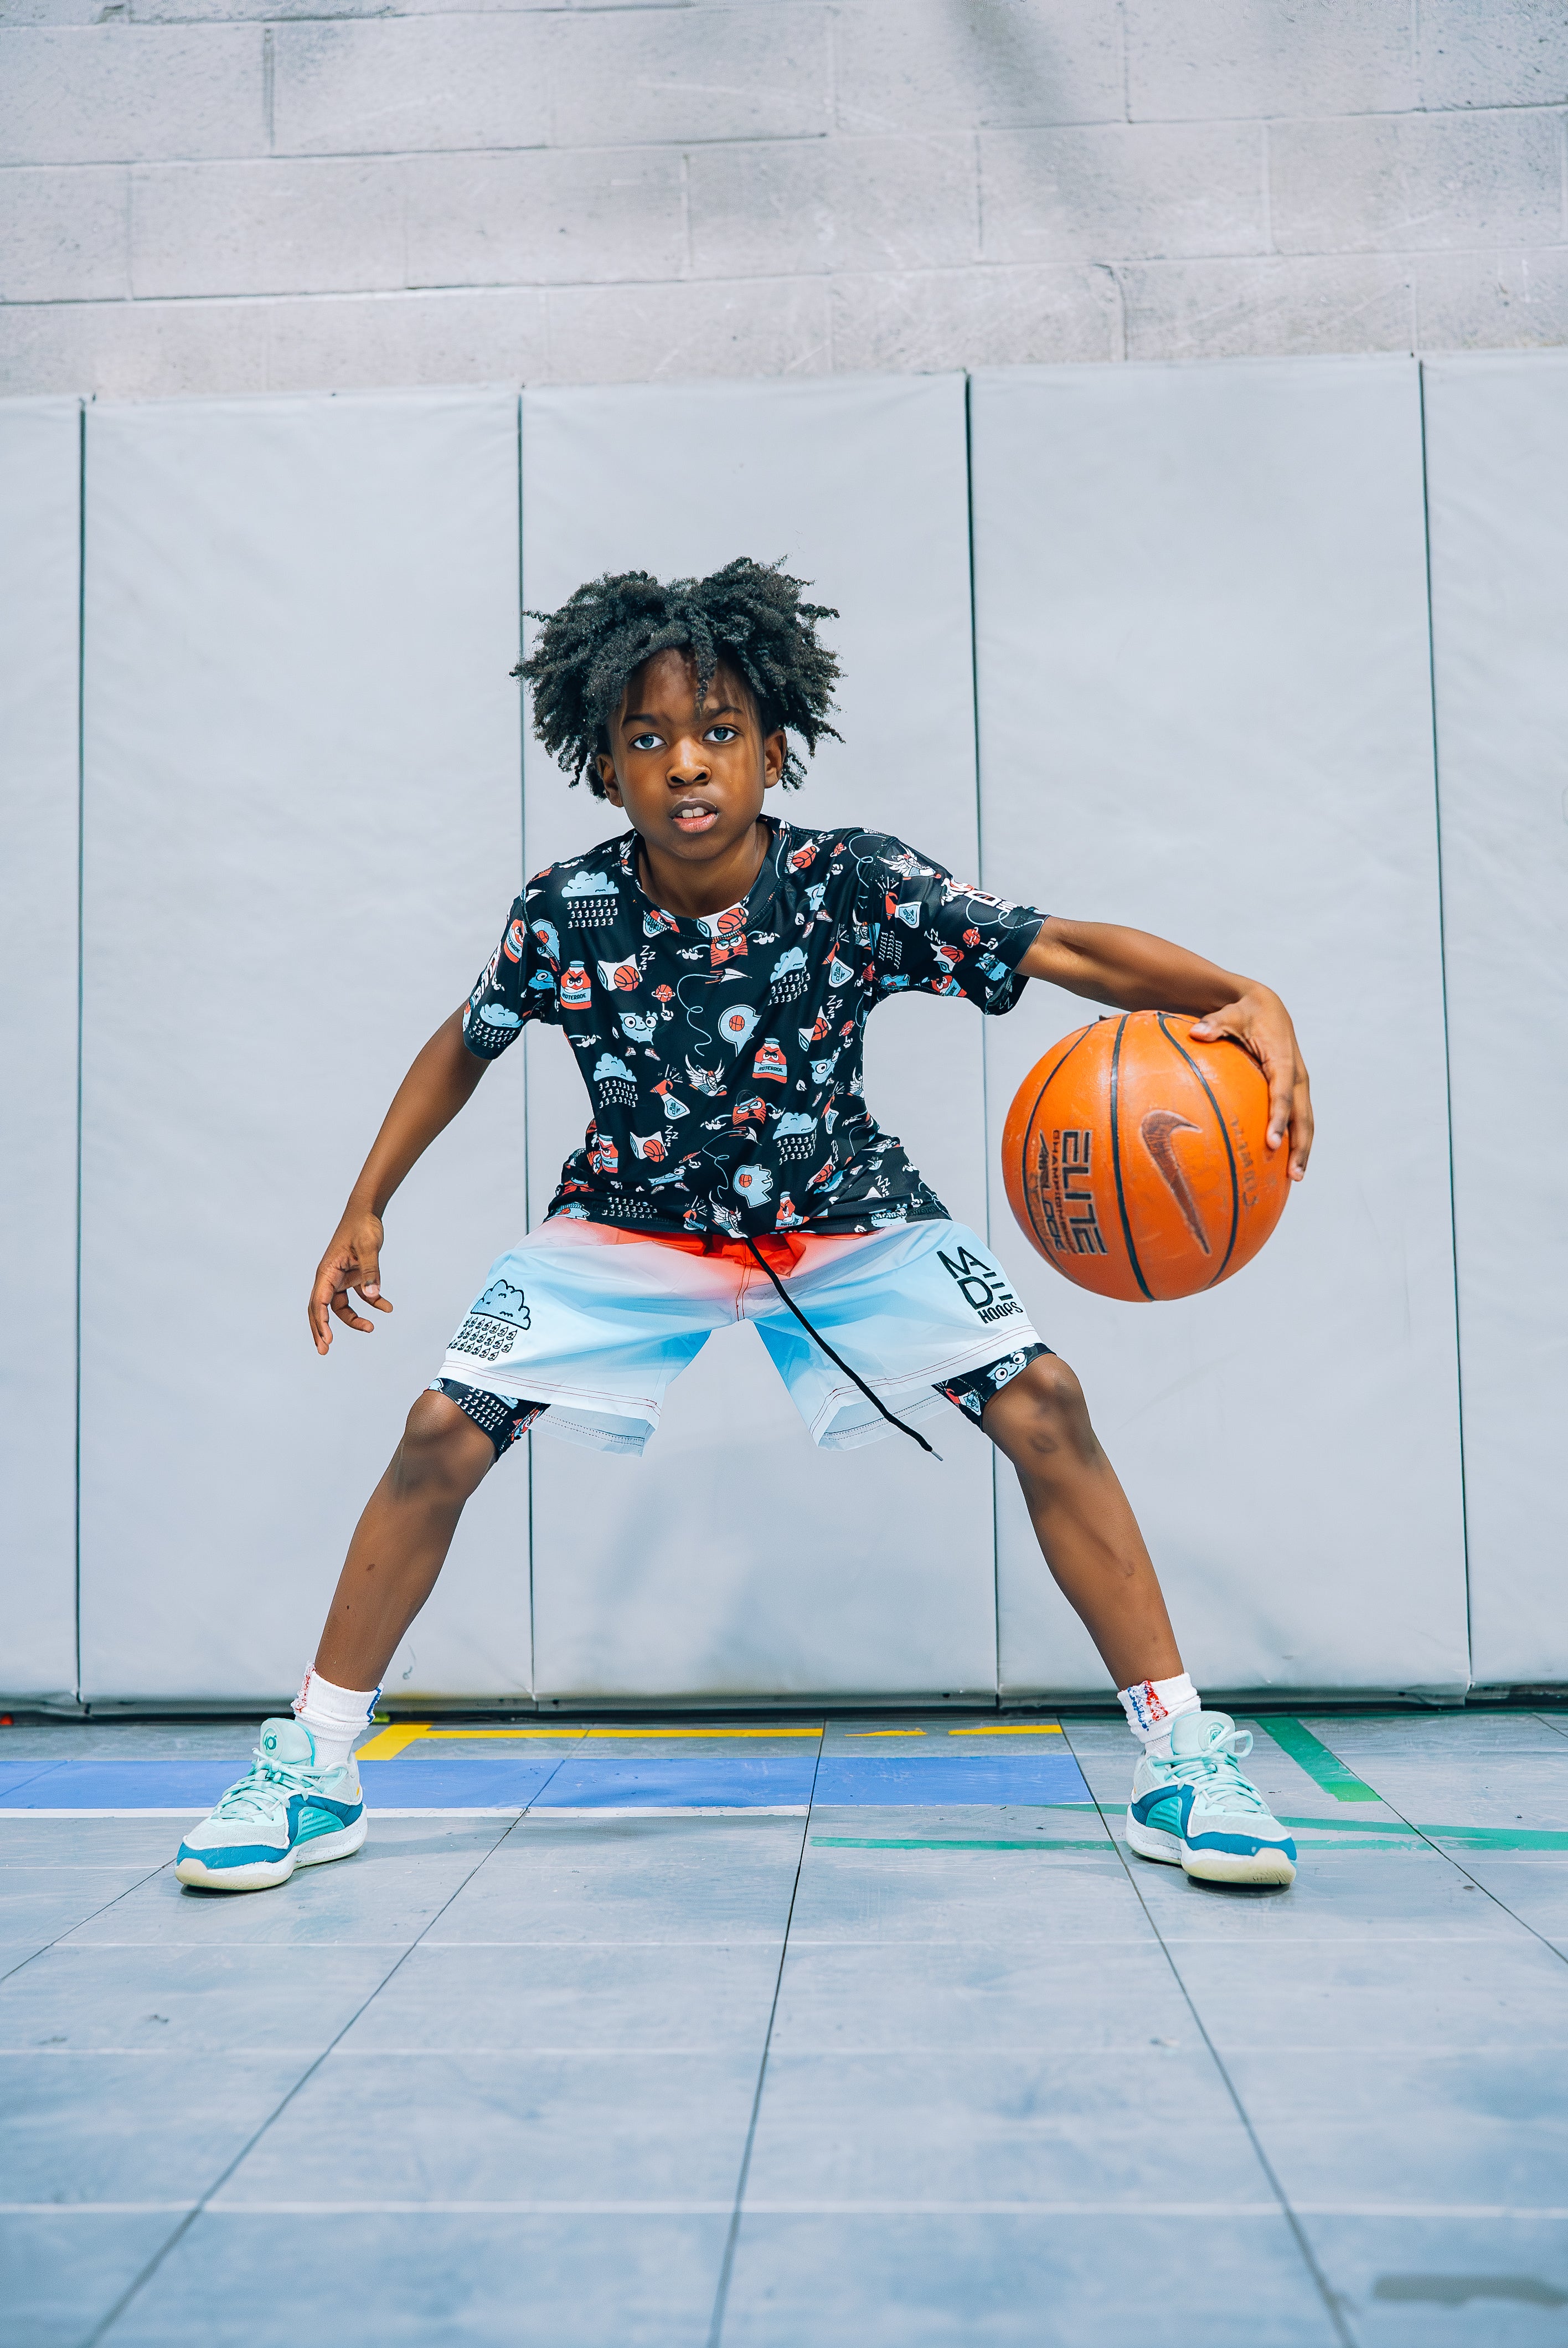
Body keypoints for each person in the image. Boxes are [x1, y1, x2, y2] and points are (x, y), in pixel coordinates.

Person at [175, 559, 1314, 1896]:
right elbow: (462, 1043)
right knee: (440, 1430)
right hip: (631, 1218)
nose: (687, 764)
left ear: (778, 750)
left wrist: (1246, 992)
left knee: (1047, 1403)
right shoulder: (565, 911)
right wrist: (366, 1201)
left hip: (840, 1210)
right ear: (606, 772)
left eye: (719, 733)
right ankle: (310, 1763)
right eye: (647, 739)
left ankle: (1184, 1753)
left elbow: (1063, 949)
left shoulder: (856, 884)